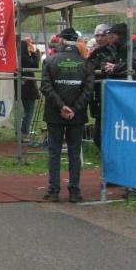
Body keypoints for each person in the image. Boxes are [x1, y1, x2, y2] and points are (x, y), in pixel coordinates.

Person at [40, 28, 94, 203]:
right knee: (74, 153)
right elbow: (88, 90)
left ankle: (53, 190)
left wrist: (61, 106)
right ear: (77, 42)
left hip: (54, 114)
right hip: (76, 116)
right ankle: (74, 192)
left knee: (54, 152)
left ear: (62, 41)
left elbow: (45, 87)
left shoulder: (50, 61)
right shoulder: (86, 64)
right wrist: (74, 109)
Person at [87, 23, 114, 149]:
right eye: (97, 36)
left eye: (102, 35)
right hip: (97, 93)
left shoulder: (112, 51)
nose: (99, 38)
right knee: (98, 134)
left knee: (100, 135)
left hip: (108, 95)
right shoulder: (97, 52)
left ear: (109, 36)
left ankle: (110, 154)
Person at [19, 37, 41, 143]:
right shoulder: (24, 57)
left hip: (23, 88)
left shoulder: (19, 57)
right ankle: (24, 133)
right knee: (29, 112)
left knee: (27, 111)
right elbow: (35, 65)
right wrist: (35, 54)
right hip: (28, 89)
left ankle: (22, 132)